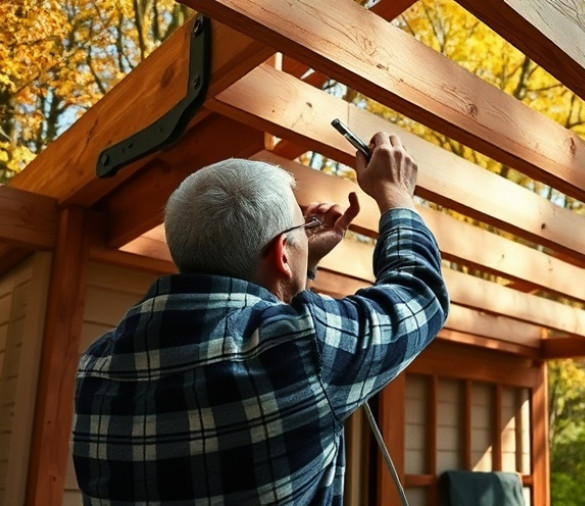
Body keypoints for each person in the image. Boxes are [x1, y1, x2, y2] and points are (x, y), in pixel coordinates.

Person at [71, 132, 450, 505]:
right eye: (299, 232)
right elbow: (419, 294)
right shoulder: (303, 347)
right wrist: (397, 195)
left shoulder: (97, 364)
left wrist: (297, 266)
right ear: (282, 254)